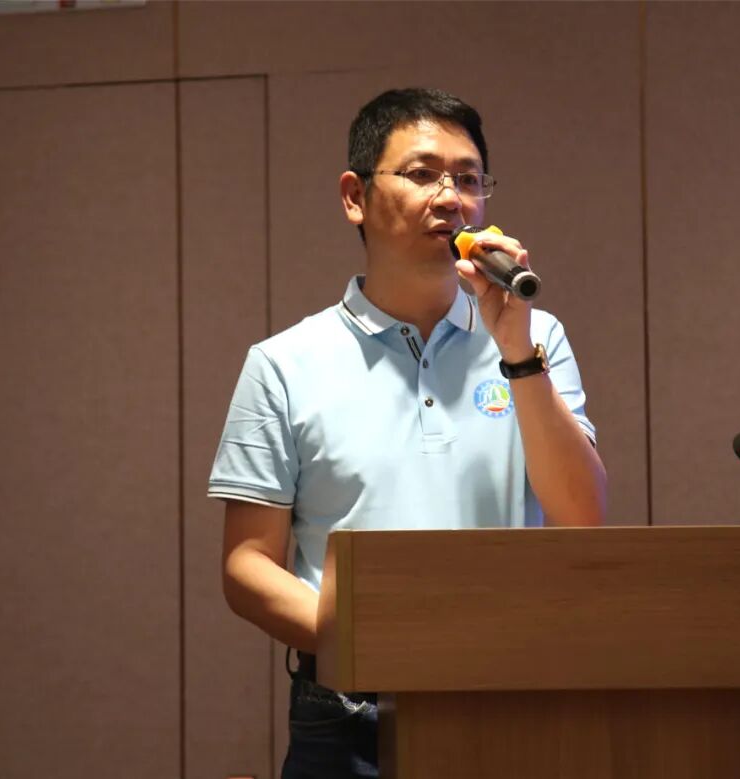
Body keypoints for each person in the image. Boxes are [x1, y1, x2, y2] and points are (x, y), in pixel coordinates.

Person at [208, 87, 606, 779]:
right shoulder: (282, 364)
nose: (452, 198)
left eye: (470, 179)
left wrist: (517, 352)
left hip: (514, 692)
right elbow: (248, 567)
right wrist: (379, 638)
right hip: (349, 711)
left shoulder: (537, 338)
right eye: (423, 174)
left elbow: (582, 515)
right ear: (355, 197)